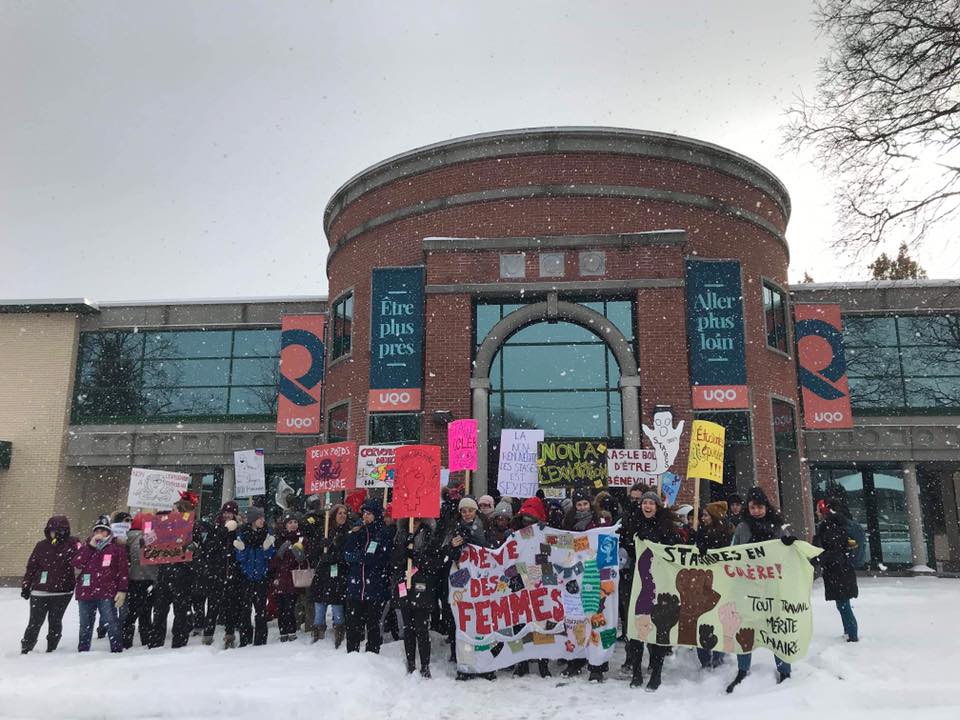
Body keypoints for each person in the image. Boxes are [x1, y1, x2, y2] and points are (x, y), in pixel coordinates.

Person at [726, 487, 795, 693]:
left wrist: (790, 543)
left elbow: (790, 552)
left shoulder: (777, 527)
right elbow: (732, 552)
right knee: (744, 628)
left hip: (772, 586)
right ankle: (742, 669)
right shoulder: (742, 528)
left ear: (766, 507)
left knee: (776, 627)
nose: (756, 511)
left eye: (760, 507)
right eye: (753, 507)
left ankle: (784, 670)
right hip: (747, 586)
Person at [625, 491, 680, 691]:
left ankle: (656, 672)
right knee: (637, 627)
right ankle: (637, 672)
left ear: (657, 507)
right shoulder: (633, 523)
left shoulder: (666, 526)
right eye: (644, 503)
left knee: (658, 628)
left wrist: (656, 538)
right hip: (637, 583)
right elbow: (625, 549)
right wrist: (632, 542)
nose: (647, 506)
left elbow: (674, 547)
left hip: (659, 583)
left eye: (651, 503)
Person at [391, 516, 442, 678]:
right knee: (408, 629)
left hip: (423, 587)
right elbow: (394, 562)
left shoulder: (430, 537)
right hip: (405, 585)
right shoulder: (400, 535)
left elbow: (435, 565)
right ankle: (411, 663)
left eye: (419, 519)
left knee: (422, 629)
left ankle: (425, 665)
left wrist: (417, 557)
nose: (416, 522)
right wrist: (405, 549)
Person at [150, 491, 200, 649]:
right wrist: (148, 538)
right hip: (164, 574)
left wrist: (192, 547)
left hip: (182, 575)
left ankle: (179, 641)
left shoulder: (193, 528)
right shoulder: (163, 526)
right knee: (159, 609)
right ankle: (156, 641)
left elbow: (198, 549)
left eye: (175, 510)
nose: (172, 512)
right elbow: (147, 544)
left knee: (181, 610)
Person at [20, 516, 78, 654]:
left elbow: (81, 559)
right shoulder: (41, 545)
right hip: (40, 591)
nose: (55, 534)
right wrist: (26, 585)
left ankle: (52, 649)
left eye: (60, 531)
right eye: (53, 531)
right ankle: (26, 648)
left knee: (55, 621)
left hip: (63, 591)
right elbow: (32, 567)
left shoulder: (73, 543)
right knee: (35, 622)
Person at [343, 499, 394, 653]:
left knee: (373, 624)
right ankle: (351, 653)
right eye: (364, 513)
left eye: (369, 513)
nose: (366, 516)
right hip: (356, 586)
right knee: (353, 624)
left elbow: (382, 558)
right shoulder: (357, 531)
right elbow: (347, 554)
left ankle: (372, 653)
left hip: (374, 587)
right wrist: (360, 555)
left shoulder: (383, 532)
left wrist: (368, 558)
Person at [73, 515, 129, 653]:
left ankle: (116, 649)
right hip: (86, 592)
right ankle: (83, 650)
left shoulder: (116, 549)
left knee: (111, 622)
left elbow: (123, 571)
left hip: (106, 592)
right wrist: (90, 547)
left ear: (109, 533)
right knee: (85, 624)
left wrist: (122, 590)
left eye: (103, 531)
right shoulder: (87, 547)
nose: (100, 534)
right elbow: (77, 563)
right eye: (97, 531)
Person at [197, 501, 243, 648]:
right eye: (225, 512)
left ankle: (229, 635)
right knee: (213, 606)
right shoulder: (216, 527)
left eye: (230, 512)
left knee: (231, 605)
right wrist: (224, 530)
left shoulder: (240, 528)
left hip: (233, 572)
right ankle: (208, 635)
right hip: (216, 572)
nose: (227, 515)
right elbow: (208, 548)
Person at [692, 501, 732, 669]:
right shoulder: (700, 532)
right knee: (702, 619)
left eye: (707, 515)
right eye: (703, 515)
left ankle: (717, 656)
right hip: (701, 584)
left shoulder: (728, 534)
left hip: (721, 583)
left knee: (717, 619)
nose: (703, 518)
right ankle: (704, 657)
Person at [814, 498, 859, 642]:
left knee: (844, 605)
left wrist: (819, 559)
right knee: (843, 604)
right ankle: (849, 633)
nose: (816, 512)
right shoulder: (836, 525)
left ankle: (852, 636)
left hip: (838, 571)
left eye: (818, 509)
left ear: (824, 510)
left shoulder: (831, 527)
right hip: (841, 570)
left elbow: (834, 551)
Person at [234, 506, 276, 647]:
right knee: (245, 610)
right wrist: (242, 550)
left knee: (260, 610)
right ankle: (245, 639)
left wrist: (266, 548)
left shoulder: (267, 533)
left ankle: (260, 640)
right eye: (259, 518)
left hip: (261, 577)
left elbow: (270, 556)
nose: (262, 520)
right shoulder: (243, 533)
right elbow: (240, 558)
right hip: (246, 577)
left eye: (263, 518)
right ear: (253, 520)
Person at [311, 503, 350, 647]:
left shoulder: (348, 531)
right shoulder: (325, 530)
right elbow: (314, 551)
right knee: (320, 601)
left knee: (337, 601)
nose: (342, 516)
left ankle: (339, 628)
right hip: (323, 572)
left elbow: (346, 553)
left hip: (338, 573)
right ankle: (318, 628)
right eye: (340, 513)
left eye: (344, 513)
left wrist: (335, 553)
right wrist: (322, 546)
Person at [270, 512, 309, 642]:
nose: (293, 525)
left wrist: (300, 556)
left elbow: (306, 559)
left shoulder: (302, 539)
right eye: (290, 522)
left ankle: (291, 630)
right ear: (285, 525)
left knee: (290, 606)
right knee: (281, 606)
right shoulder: (279, 539)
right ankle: (283, 631)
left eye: (295, 522)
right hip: (280, 578)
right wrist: (279, 553)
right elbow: (273, 562)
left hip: (294, 578)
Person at [123, 513, 157, 649]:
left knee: (132, 612)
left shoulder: (126, 539)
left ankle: (127, 639)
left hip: (134, 579)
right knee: (146, 612)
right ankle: (146, 638)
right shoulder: (150, 538)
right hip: (149, 579)